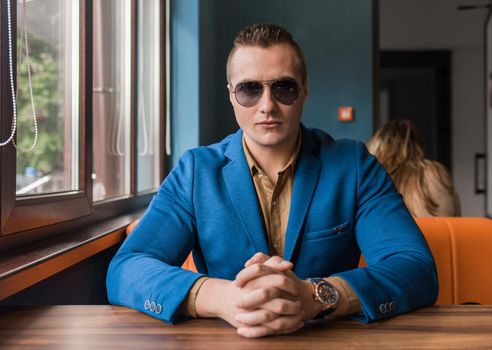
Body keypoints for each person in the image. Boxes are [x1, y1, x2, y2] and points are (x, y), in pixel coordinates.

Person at [107, 23, 438, 338]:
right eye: (249, 89)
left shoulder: (353, 165)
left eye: (284, 88)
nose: (267, 105)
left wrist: (318, 296)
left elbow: (416, 268)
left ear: (305, 90)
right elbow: (126, 269)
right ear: (231, 95)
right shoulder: (196, 171)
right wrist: (221, 298)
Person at [367, 119, 461, 217]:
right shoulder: (438, 172)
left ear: (378, 145)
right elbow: (457, 217)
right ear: (417, 145)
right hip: (442, 232)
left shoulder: (375, 177)